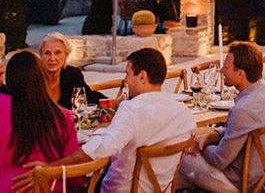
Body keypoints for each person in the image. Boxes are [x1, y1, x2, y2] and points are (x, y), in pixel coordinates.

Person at [13, 47, 195, 193]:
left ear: (142, 76)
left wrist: (49, 168)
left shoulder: (132, 110)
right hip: (162, 188)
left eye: (128, 74)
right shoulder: (182, 112)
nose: (125, 81)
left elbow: (100, 150)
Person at [178, 42, 265, 191]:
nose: (222, 71)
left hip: (238, 182)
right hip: (260, 176)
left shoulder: (244, 110)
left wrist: (202, 147)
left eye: (226, 67)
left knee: (183, 157)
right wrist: (211, 136)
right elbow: (239, 131)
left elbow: (219, 160)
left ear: (241, 74)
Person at [2, 51, 80, 192]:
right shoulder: (63, 117)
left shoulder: (3, 109)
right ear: (42, 78)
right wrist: (50, 170)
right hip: (48, 188)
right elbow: (74, 177)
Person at [38, 32, 104, 108]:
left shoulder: (72, 74)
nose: (52, 58)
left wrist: (113, 102)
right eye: (47, 53)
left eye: (58, 53)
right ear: (41, 56)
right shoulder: (33, 77)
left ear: (66, 55)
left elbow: (89, 97)